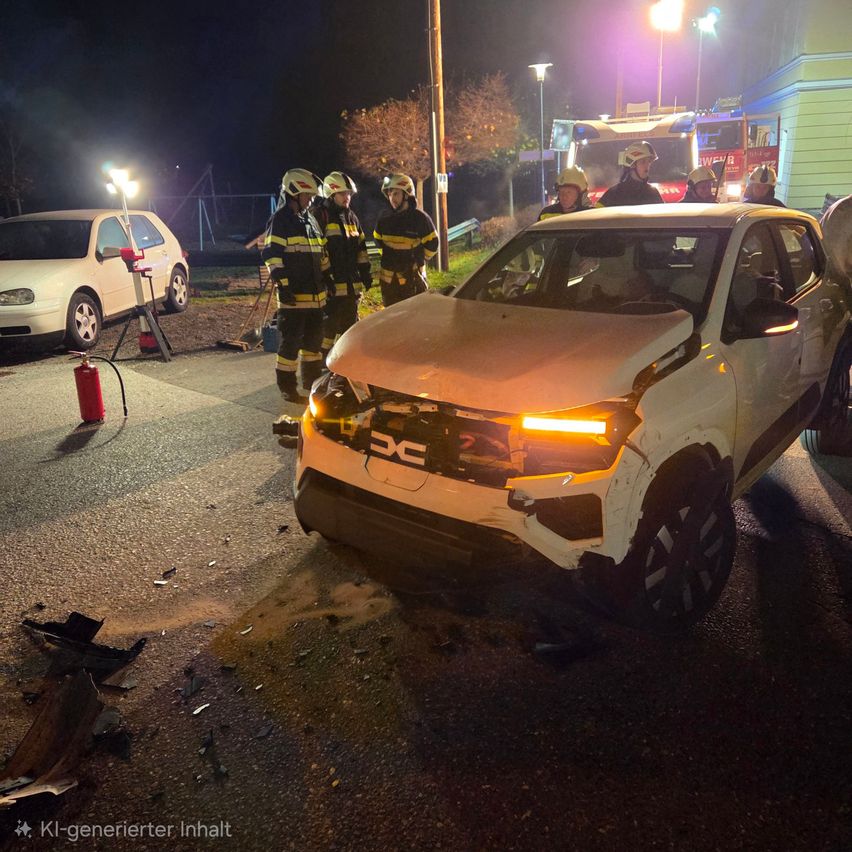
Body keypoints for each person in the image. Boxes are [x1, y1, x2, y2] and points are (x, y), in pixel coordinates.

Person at [262, 168, 332, 405]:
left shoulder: (310, 219)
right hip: (294, 297)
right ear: (294, 193)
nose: (311, 200)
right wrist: (283, 284)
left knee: (313, 344)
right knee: (290, 345)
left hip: (316, 296)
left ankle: (311, 383)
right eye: (307, 195)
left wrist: (328, 276)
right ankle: (287, 387)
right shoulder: (280, 220)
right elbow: (272, 255)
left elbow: (321, 252)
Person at [315, 171, 372, 363]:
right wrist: (325, 279)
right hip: (331, 285)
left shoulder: (352, 217)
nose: (347, 197)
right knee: (329, 326)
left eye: (349, 193)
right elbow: (317, 252)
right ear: (331, 195)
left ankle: (346, 362)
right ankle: (324, 362)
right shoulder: (320, 217)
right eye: (342, 194)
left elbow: (361, 249)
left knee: (350, 326)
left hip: (351, 285)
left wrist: (365, 272)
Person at [373, 173, 439, 307]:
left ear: (407, 194)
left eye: (396, 194)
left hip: (412, 282)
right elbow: (378, 241)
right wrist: (391, 258)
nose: (392, 198)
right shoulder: (384, 219)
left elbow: (433, 244)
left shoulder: (420, 218)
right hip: (389, 283)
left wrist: (419, 260)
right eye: (390, 194)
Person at [598, 141, 664, 207]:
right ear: (632, 165)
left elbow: (663, 215)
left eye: (649, 161)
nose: (647, 165)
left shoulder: (652, 192)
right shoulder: (613, 193)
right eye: (643, 162)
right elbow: (594, 213)